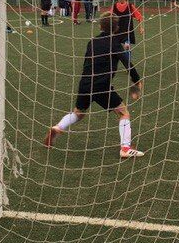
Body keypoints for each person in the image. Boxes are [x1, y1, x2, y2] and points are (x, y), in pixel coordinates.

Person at [44, 12, 144, 158]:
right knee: (124, 113)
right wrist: (137, 81)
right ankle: (125, 148)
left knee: (78, 113)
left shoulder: (92, 42)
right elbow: (127, 63)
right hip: (101, 85)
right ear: (116, 28)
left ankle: (58, 127)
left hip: (85, 83)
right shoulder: (114, 43)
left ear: (100, 26)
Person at [112, 0, 144, 68]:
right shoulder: (114, 6)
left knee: (127, 47)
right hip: (117, 31)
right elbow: (109, 17)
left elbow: (139, 17)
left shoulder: (130, 6)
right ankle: (112, 65)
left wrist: (141, 28)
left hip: (127, 31)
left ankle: (128, 65)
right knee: (115, 49)